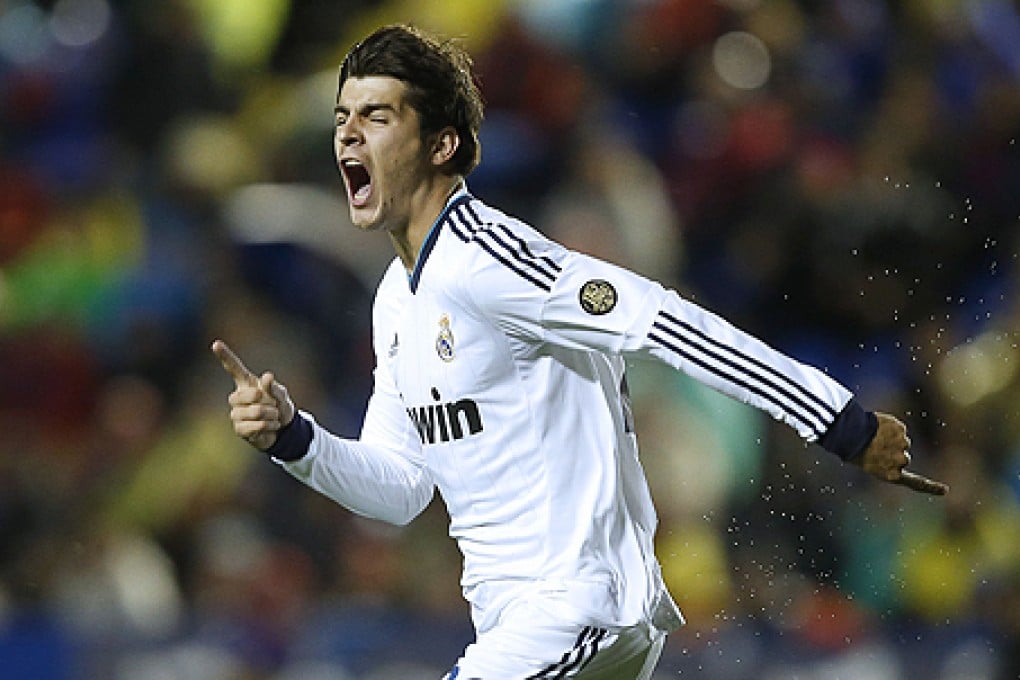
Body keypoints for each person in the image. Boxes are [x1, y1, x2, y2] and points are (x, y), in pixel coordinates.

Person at [212, 24, 948, 680]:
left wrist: (836, 418)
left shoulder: (491, 257)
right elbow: (400, 489)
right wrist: (293, 438)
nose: (347, 135)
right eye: (342, 118)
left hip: (576, 608)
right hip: (526, 626)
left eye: (376, 116)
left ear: (441, 143)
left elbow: (664, 320)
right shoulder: (396, 301)